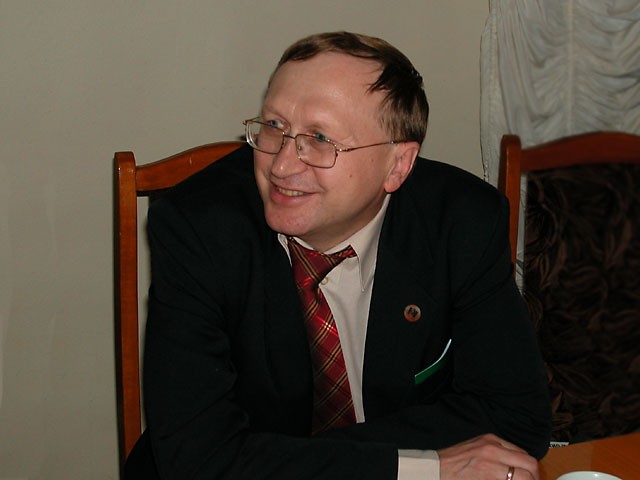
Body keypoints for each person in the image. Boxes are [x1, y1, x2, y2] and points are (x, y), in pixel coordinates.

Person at [125, 31, 551, 479]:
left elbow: (517, 416)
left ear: (398, 165)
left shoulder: (461, 222)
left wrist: (277, 461)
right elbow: (196, 458)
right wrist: (418, 469)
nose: (281, 165)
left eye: (320, 137)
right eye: (274, 126)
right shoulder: (198, 228)